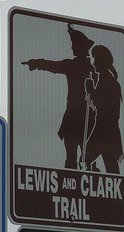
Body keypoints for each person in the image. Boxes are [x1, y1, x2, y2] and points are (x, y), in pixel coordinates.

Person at [21, 25, 95, 169]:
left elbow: (53, 66)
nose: (72, 49)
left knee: (82, 156)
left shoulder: (88, 69)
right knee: (73, 155)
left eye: (75, 46)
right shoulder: (77, 66)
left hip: (85, 115)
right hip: (74, 115)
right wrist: (36, 63)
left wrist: (36, 63)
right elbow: (53, 66)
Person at [83, 44, 124, 174]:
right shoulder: (103, 80)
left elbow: (107, 108)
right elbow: (96, 106)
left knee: (84, 161)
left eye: (95, 59)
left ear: (102, 61)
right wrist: (91, 92)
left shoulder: (109, 82)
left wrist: (91, 91)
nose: (93, 63)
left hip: (105, 130)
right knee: (110, 167)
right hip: (106, 130)